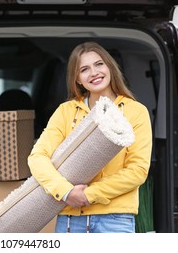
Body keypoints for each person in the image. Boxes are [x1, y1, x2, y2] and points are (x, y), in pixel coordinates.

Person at [28, 41, 152, 233]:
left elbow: (137, 170)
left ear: (109, 67)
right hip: (70, 220)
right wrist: (66, 192)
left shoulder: (136, 112)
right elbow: (37, 158)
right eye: (84, 69)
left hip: (115, 220)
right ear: (77, 79)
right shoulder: (65, 111)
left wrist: (88, 194)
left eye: (99, 64)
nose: (94, 72)